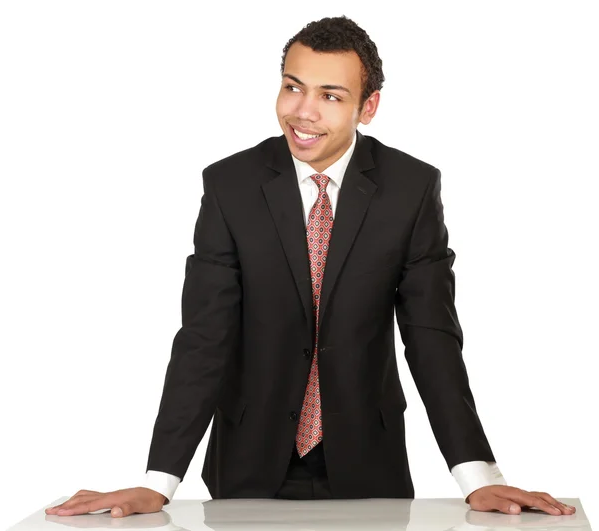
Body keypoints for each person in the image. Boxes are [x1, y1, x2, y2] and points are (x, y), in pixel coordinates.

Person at [46, 15, 575, 519]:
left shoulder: (411, 189)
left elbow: (431, 335)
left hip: (371, 462)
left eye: (331, 95)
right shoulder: (229, 185)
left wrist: (478, 476)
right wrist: (158, 480)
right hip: (247, 465)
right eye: (293, 86)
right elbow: (205, 335)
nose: (303, 111)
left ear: (368, 107)